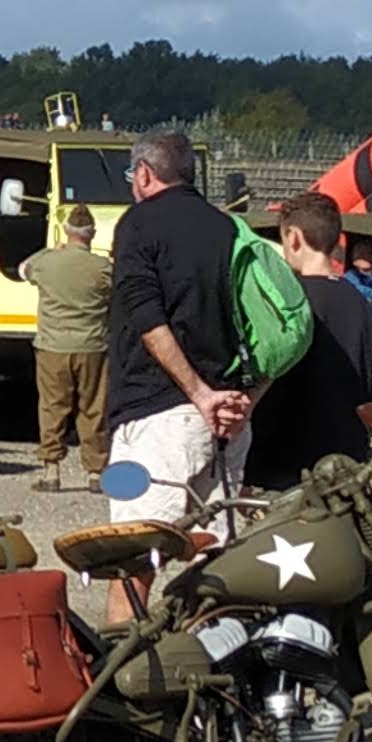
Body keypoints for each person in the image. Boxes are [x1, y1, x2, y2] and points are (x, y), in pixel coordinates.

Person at [101, 131, 253, 527]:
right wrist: (242, 399)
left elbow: (146, 317)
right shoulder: (228, 227)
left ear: (144, 173)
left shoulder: (138, 224)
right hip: (226, 416)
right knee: (216, 549)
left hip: (157, 414)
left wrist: (198, 393)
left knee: (138, 544)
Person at [242, 189, 372, 489]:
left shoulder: (288, 302)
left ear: (293, 237)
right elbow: (370, 390)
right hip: (346, 463)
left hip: (284, 460)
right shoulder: (361, 304)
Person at [20, 202, 112, 489]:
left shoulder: (47, 263)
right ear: (92, 233)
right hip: (92, 346)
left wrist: (50, 251)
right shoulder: (103, 268)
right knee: (93, 408)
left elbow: (23, 269)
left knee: (52, 407)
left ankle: (52, 471)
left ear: (66, 230)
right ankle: (95, 472)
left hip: (52, 346)